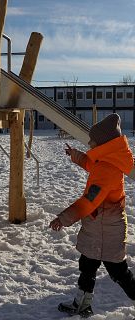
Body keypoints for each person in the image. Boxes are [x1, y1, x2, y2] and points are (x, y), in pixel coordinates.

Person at [49, 113, 135, 318]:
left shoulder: (107, 169)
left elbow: (89, 202)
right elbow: (92, 164)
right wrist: (76, 155)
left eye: (93, 140)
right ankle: (82, 304)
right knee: (87, 265)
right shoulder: (106, 159)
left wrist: (63, 218)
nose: (89, 142)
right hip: (99, 226)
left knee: (118, 272)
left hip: (107, 229)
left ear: (103, 144)